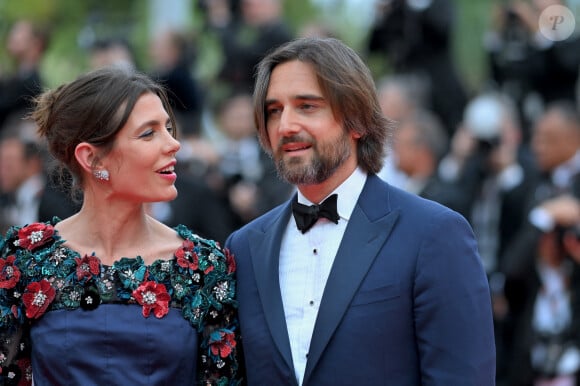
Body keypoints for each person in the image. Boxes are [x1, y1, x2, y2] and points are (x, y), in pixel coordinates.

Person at [225, 37, 496, 385]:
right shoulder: (244, 248)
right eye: (274, 110)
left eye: (307, 106)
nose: (286, 125)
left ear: (357, 120)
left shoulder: (434, 234)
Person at [0, 67, 242, 385]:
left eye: (169, 128)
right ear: (92, 159)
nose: (174, 144)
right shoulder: (26, 258)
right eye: (148, 133)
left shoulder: (205, 265)